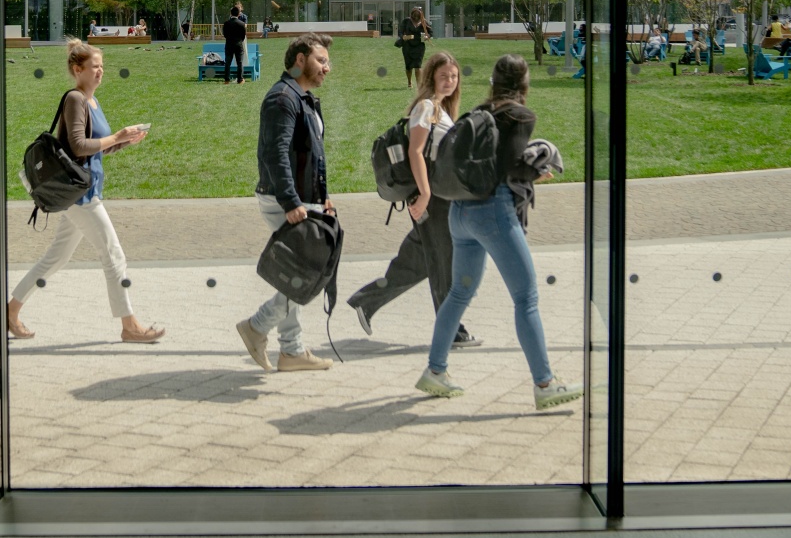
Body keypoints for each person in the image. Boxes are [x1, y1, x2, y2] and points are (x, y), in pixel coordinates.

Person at [415, 53, 580, 411]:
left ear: (492, 81)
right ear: (525, 83)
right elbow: (509, 167)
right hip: (493, 212)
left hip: (460, 211)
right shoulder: (520, 115)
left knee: (458, 293)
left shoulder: (480, 110)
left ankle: (436, 370)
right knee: (526, 298)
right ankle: (545, 383)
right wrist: (539, 167)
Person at [7, 40, 164, 343]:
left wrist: (123, 141)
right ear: (77, 70)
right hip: (81, 197)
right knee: (114, 256)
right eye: (95, 67)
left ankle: (11, 310)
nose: (100, 72)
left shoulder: (91, 101)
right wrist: (115, 136)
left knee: (55, 259)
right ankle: (130, 326)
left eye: (102, 66)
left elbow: (92, 150)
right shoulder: (75, 100)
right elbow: (78, 145)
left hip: (84, 192)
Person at [346, 51, 478, 348]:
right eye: (443, 76)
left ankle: (366, 301)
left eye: (454, 76)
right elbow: (415, 152)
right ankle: (452, 330)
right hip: (432, 199)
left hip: (436, 198)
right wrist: (426, 193)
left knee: (418, 261)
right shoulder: (426, 108)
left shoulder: (442, 110)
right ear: (431, 76)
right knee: (443, 262)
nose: (449, 81)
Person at [236, 33, 335, 372]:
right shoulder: (282, 98)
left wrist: (322, 198)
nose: (327, 68)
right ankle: (257, 327)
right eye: (321, 61)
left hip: (303, 198)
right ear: (299, 60)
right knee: (302, 272)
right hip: (284, 199)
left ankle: (291, 352)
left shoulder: (302, 97)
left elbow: (313, 154)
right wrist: (292, 201)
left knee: (299, 272)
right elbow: (274, 153)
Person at [397, 6, 431, 89]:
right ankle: (409, 82)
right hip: (407, 46)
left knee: (418, 66)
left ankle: (419, 85)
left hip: (419, 46)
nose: (416, 18)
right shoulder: (406, 21)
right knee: (408, 66)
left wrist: (427, 37)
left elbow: (430, 32)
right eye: (414, 16)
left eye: (418, 16)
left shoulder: (424, 22)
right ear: (412, 14)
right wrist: (403, 36)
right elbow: (400, 31)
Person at [222, 2, 249, 86]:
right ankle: (240, 79)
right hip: (238, 44)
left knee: (228, 62)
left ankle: (226, 80)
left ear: (231, 13)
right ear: (238, 14)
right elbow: (243, 35)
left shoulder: (226, 23)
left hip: (229, 44)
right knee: (239, 62)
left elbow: (225, 34)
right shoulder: (241, 24)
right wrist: (239, 40)